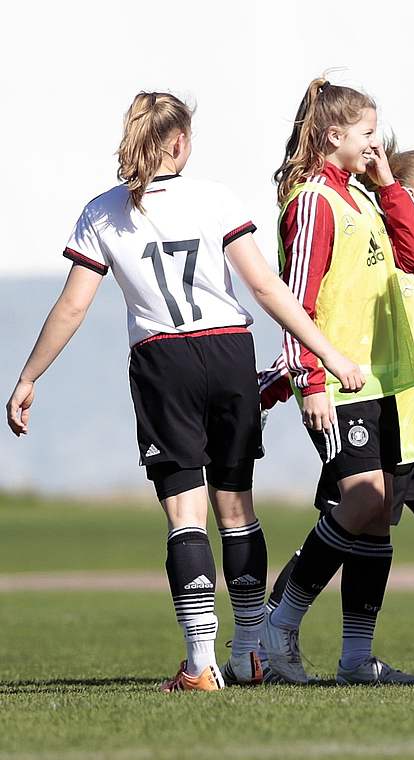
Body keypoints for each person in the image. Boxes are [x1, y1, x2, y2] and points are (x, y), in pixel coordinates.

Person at [5, 91, 363, 692]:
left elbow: (72, 306)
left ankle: (201, 662)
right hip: (227, 351)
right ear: (179, 143)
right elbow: (269, 289)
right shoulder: (213, 197)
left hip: (161, 359)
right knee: (236, 509)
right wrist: (327, 352)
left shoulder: (103, 212)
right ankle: (249, 651)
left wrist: (28, 376)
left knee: (185, 515)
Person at [260, 142, 414, 674]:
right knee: (366, 517)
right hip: (371, 412)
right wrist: (294, 375)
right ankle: (279, 620)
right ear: (407, 197)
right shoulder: (390, 260)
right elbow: (329, 312)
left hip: (412, 430)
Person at [262, 77, 414, 685]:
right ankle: (276, 626)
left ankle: (357, 657)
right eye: (366, 133)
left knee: (378, 513)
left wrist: (388, 185)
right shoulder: (312, 200)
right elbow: (295, 298)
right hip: (335, 381)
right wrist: (309, 378)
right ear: (334, 134)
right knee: (359, 500)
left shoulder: (361, 195)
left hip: (379, 379)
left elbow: (413, 257)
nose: (375, 144)